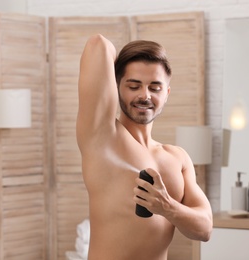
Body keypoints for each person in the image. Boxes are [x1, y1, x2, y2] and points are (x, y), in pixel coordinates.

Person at [76, 34, 212, 260]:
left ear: (166, 93)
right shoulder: (102, 137)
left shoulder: (177, 158)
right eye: (134, 85)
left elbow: (205, 229)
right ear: (117, 87)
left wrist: (167, 207)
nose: (144, 95)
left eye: (155, 87)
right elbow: (97, 45)